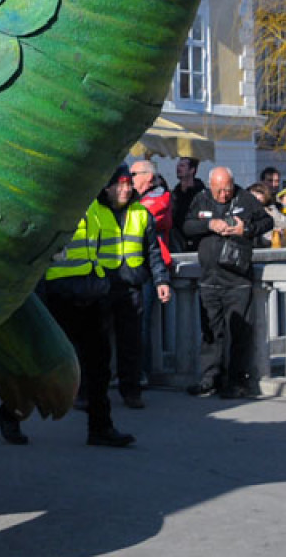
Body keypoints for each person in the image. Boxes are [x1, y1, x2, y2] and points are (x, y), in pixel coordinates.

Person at [0, 167, 139, 448]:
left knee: (99, 366)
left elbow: (104, 250)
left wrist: (106, 285)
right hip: (58, 296)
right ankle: (9, 414)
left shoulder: (96, 207)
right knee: (42, 364)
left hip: (91, 295)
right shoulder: (51, 205)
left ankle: (101, 426)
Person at [182, 167, 271, 399]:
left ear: (233, 184)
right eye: (219, 190)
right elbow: (187, 226)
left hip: (237, 278)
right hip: (209, 278)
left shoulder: (245, 198)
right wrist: (209, 225)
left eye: (227, 189)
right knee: (211, 333)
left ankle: (237, 381)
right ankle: (210, 378)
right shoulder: (200, 199)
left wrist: (246, 229)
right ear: (211, 186)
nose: (223, 195)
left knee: (238, 334)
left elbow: (268, 222)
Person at [108, 162, 173, 409]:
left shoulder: (141, 213)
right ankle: (91, 391)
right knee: (100, 343)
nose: (126, 189)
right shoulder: (97, 213)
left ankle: (131, 390)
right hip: (104, 285)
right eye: (121, 184)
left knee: (131, 343)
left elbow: (153, 252)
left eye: (129, 183)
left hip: (132, 285)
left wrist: (161, 280)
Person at [167, 157, 205, 253]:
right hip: (178, 243)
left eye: (182, 166)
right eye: (178, 165)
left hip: (198, 242)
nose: (178, 168)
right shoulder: (175, 193)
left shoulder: (202, 194)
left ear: (192, 170)